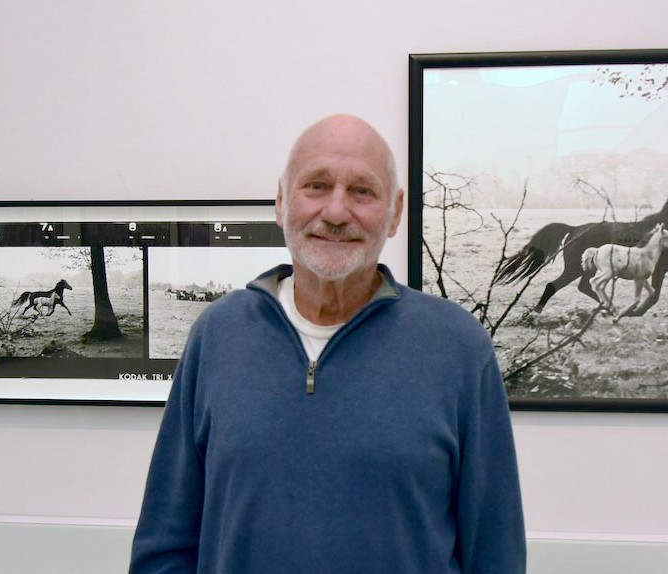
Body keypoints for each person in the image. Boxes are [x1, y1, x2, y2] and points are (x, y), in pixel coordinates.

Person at [130, 114, 526, 573]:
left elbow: (495, 551)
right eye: (316, 186)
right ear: (281, 201)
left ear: (395, 212)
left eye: (362, 191)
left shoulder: (458, 347)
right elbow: (165, 543)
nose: (336, 213)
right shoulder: (218, 334)